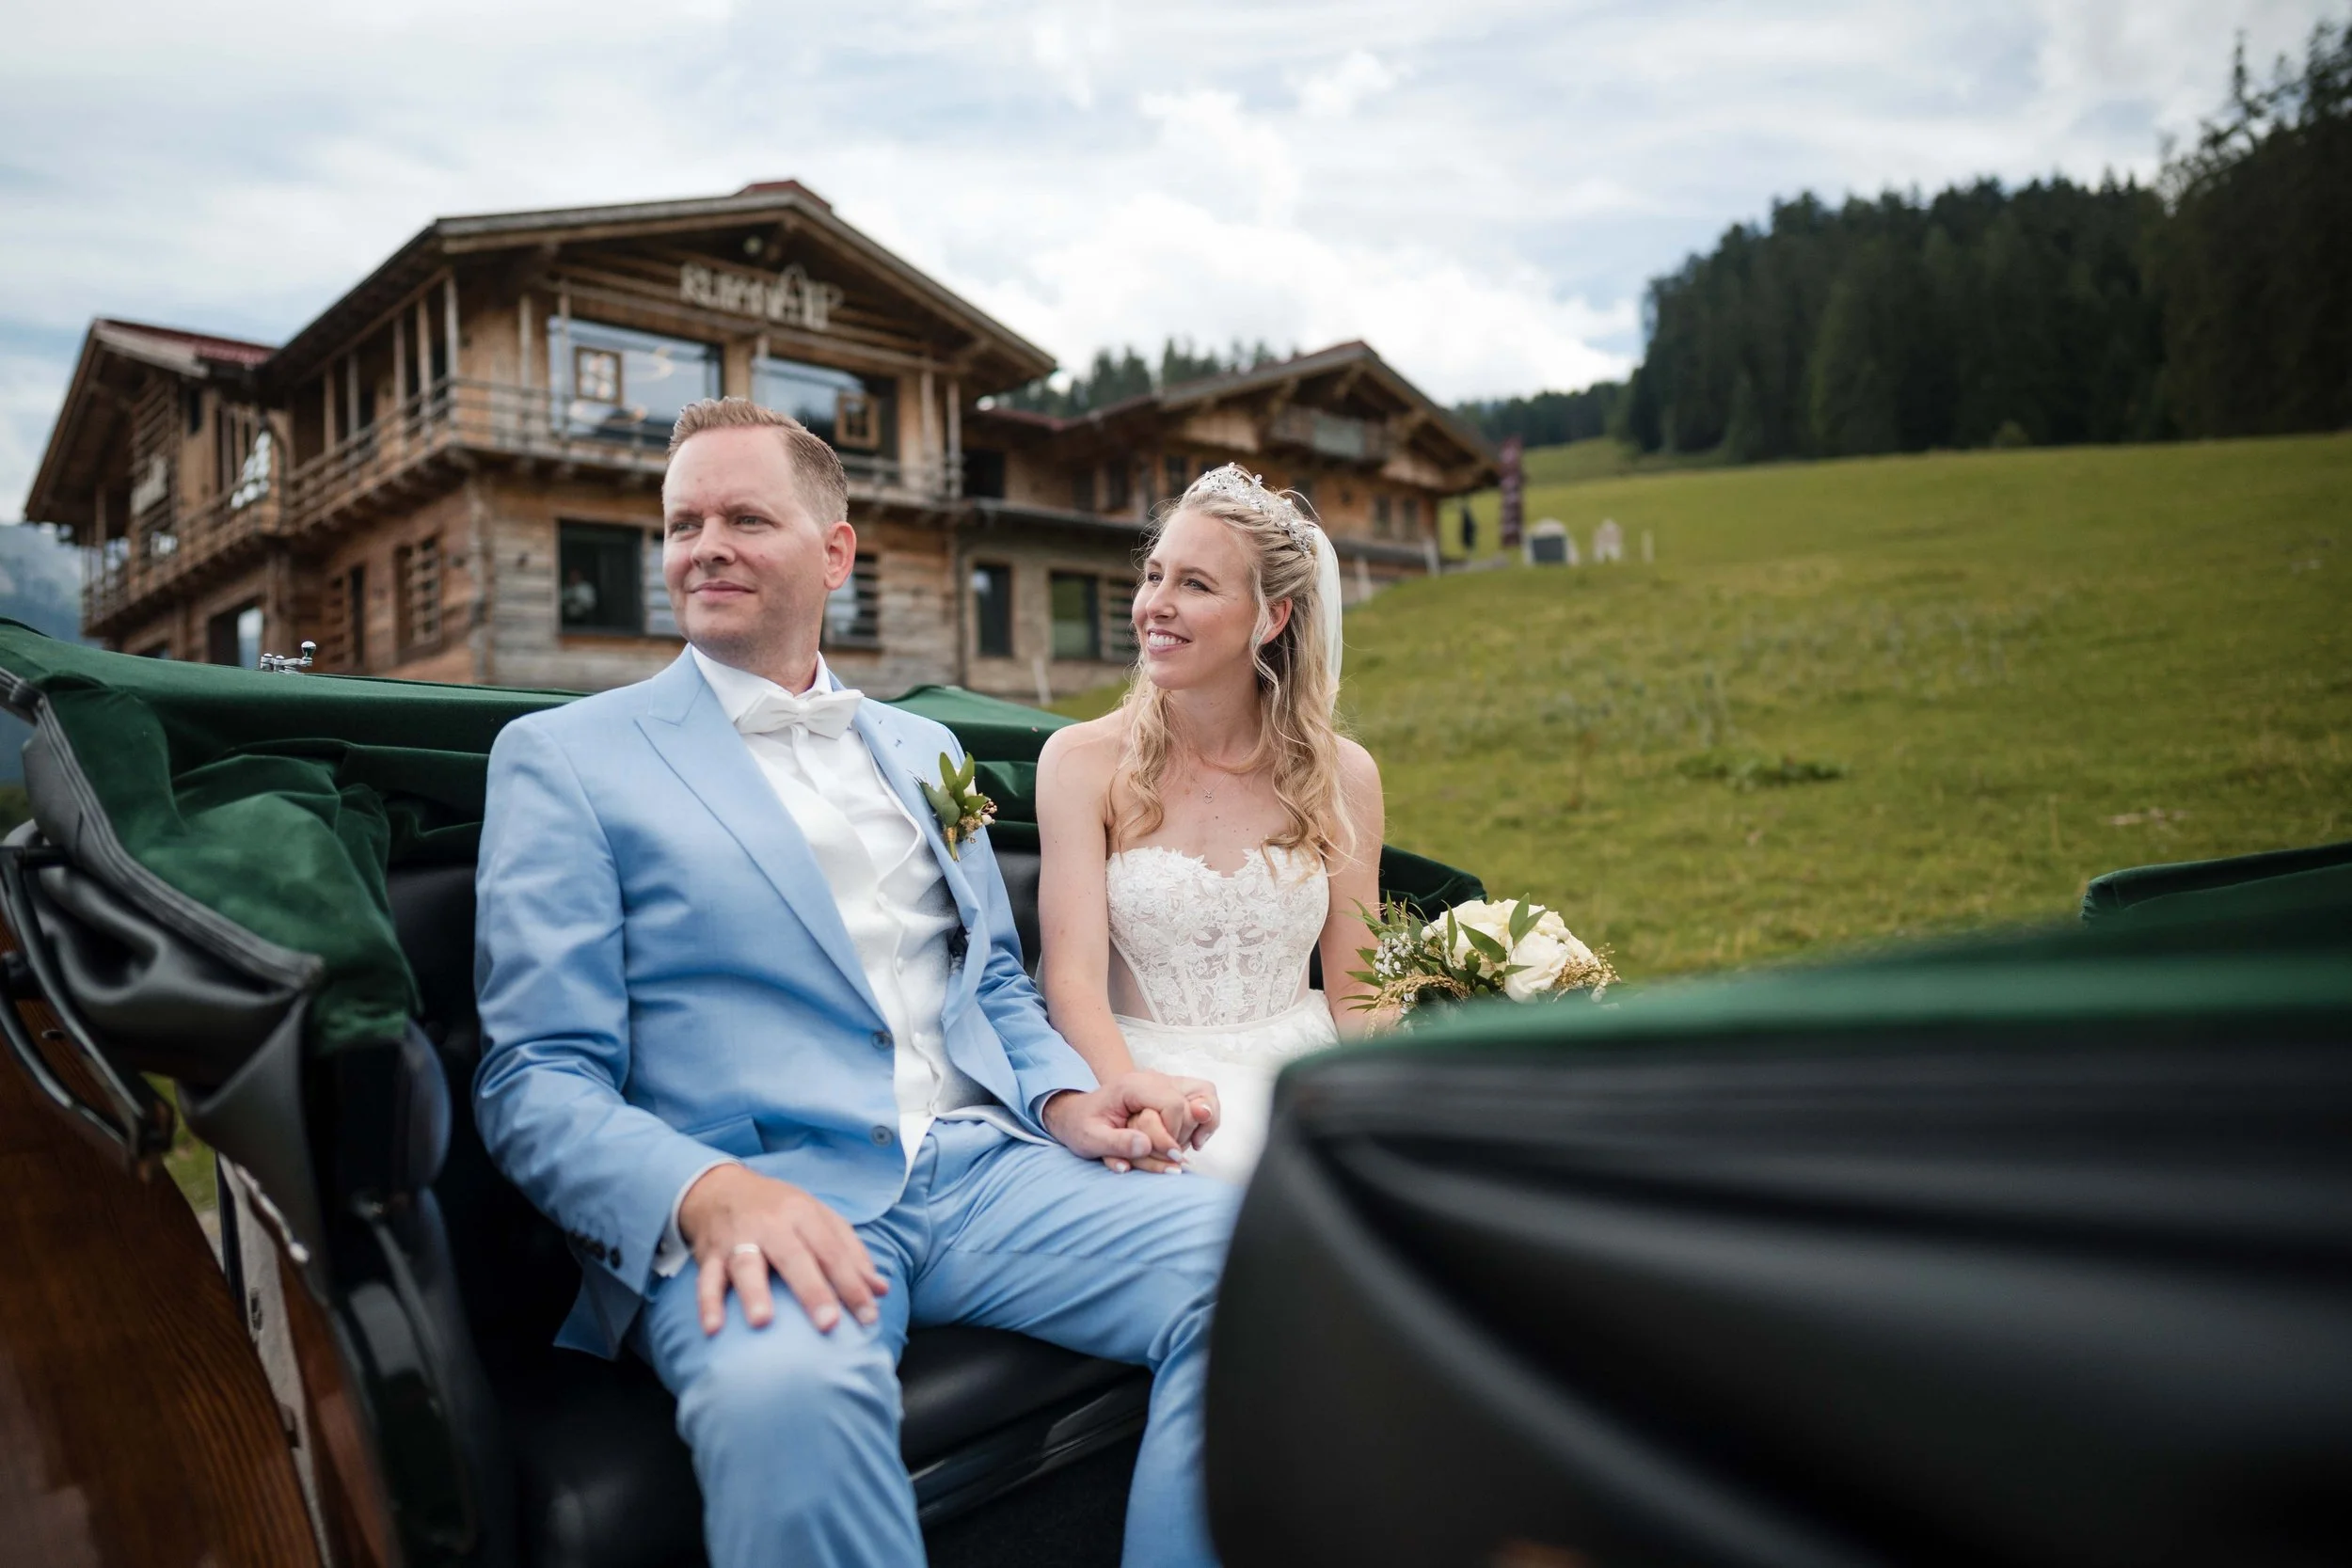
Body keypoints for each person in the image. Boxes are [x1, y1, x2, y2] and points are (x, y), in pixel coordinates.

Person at [472, 397, 1237, 1568]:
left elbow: (991, 981)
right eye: (682, 525)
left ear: (835, 553)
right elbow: (533, 1075)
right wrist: (703, 1191)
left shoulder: (926, 750)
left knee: (1264, 1257)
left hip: (988, 1174)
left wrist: (1066, 1099)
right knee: (789, 1402)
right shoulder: (564, 758)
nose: (704, 547)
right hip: (764, 1197)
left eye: (744, 518)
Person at [1035, 465, 1385, 1182]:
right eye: (1153, 576)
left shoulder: (1343, 775)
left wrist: (1401, 1098)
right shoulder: (1079, 763)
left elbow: (1359, 989)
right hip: (1141, 1073)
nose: (1154, 606)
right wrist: (1133, 1096)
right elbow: (1072, 983)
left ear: (1271, 617)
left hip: (1302, 1078)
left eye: (1194, 584)